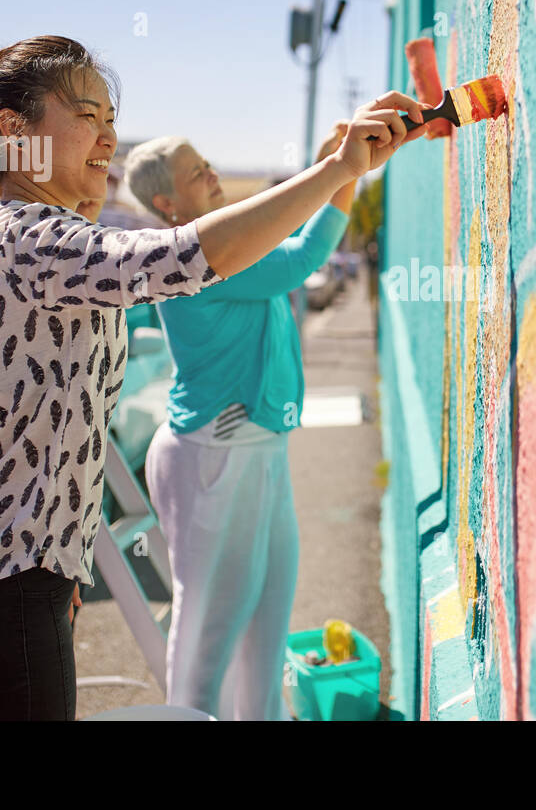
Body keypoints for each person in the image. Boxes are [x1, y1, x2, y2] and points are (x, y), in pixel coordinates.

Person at [0, 31, 425, 720]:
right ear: (12, 130)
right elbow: (191, 255)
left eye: (111, 121)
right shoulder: (25, 242)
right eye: (86, 115)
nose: (107, 138)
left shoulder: (32, 234)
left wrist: (66, 565)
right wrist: (334, 172)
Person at [125, 122, 353, 719]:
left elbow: (295, 241)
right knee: (210, 630)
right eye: (196, 173)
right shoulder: (196, 259)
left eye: (209, 163)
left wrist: (342, 169)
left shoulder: (229, 245)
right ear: (167, 204)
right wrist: (345, 170)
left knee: (267, 624)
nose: (213, 175)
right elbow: (302, 258)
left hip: (258, 449)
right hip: (214, 452)